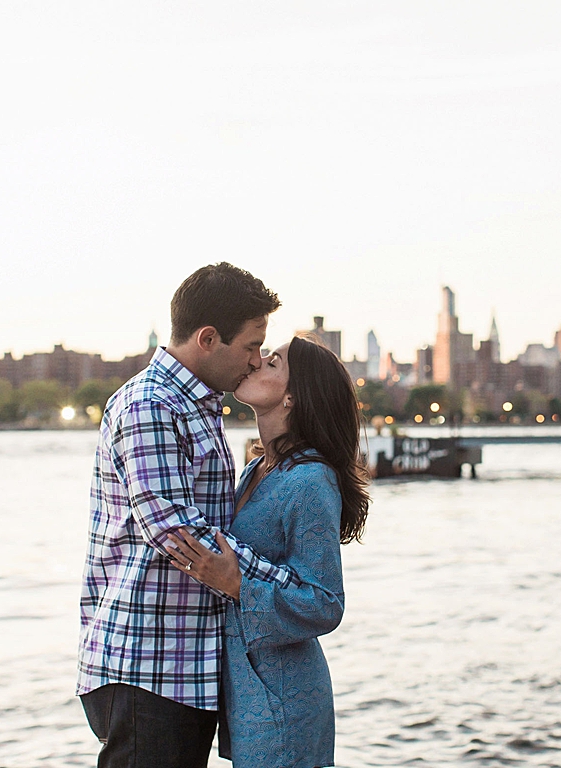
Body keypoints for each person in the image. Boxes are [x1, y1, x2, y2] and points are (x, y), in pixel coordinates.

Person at [78, 262, 305, 768]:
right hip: (147, 664)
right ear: (208, 338)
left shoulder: (197, 408)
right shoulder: (151, 405)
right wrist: (286, 587)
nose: (254, 361)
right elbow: (176, 531)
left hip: (182, 667)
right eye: (250, 346)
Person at [164, 335, 371, 768]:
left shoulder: (310, 481)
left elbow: (326, 602)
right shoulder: (256, 469)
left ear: (294, 396)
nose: (256, 362)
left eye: (272, 362)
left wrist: (237, 583)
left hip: (285, 695)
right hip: (249, 688)